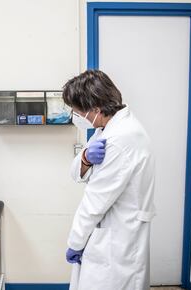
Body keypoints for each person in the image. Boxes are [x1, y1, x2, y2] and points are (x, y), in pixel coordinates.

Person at [63, 70, 155, 290]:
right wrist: (85, 157)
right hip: (110, 232)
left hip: (118, 237)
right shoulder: (107, 128)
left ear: (95, 109)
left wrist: (75, 242)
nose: (75, 115)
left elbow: (95, 200)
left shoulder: (121, 139)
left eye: (77, 110)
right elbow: (76, 172)